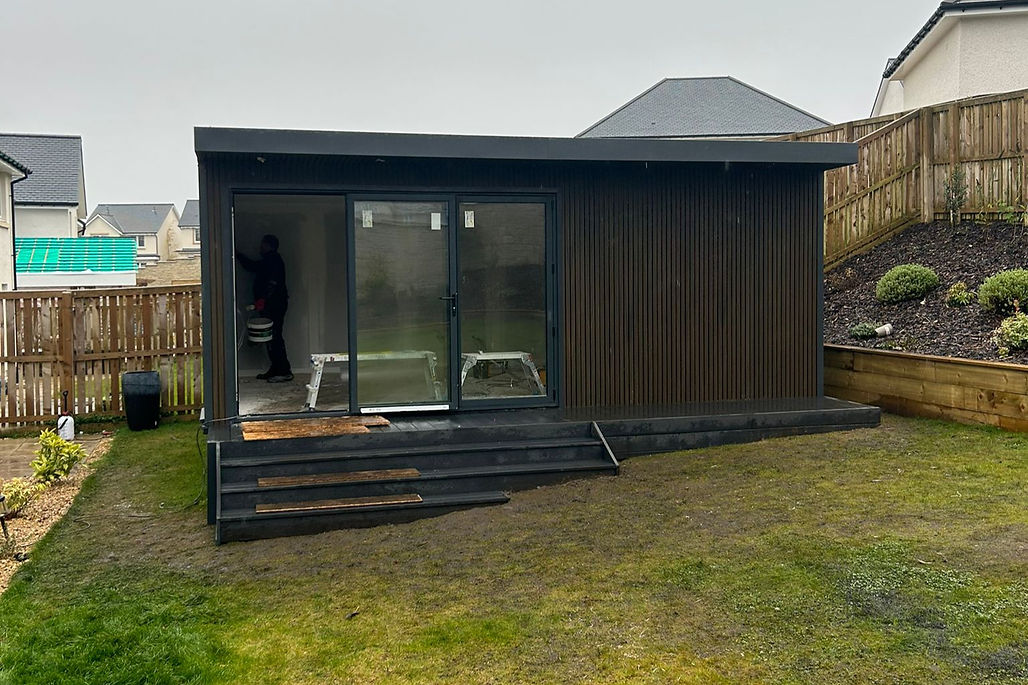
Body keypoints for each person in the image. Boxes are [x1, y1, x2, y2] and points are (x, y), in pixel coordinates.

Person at [236, 234, 292, 382]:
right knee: (270, 337)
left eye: (263, 245)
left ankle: (284, 371)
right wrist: (238, 255)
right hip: (271, 304)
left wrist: (263, 299)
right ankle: (275, 368)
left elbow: (273, 283)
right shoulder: (269, 260)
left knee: (275, 337)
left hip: (275, 305)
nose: (260, 247)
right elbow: (253, 266)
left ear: (268, 245)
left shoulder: (274, 261)